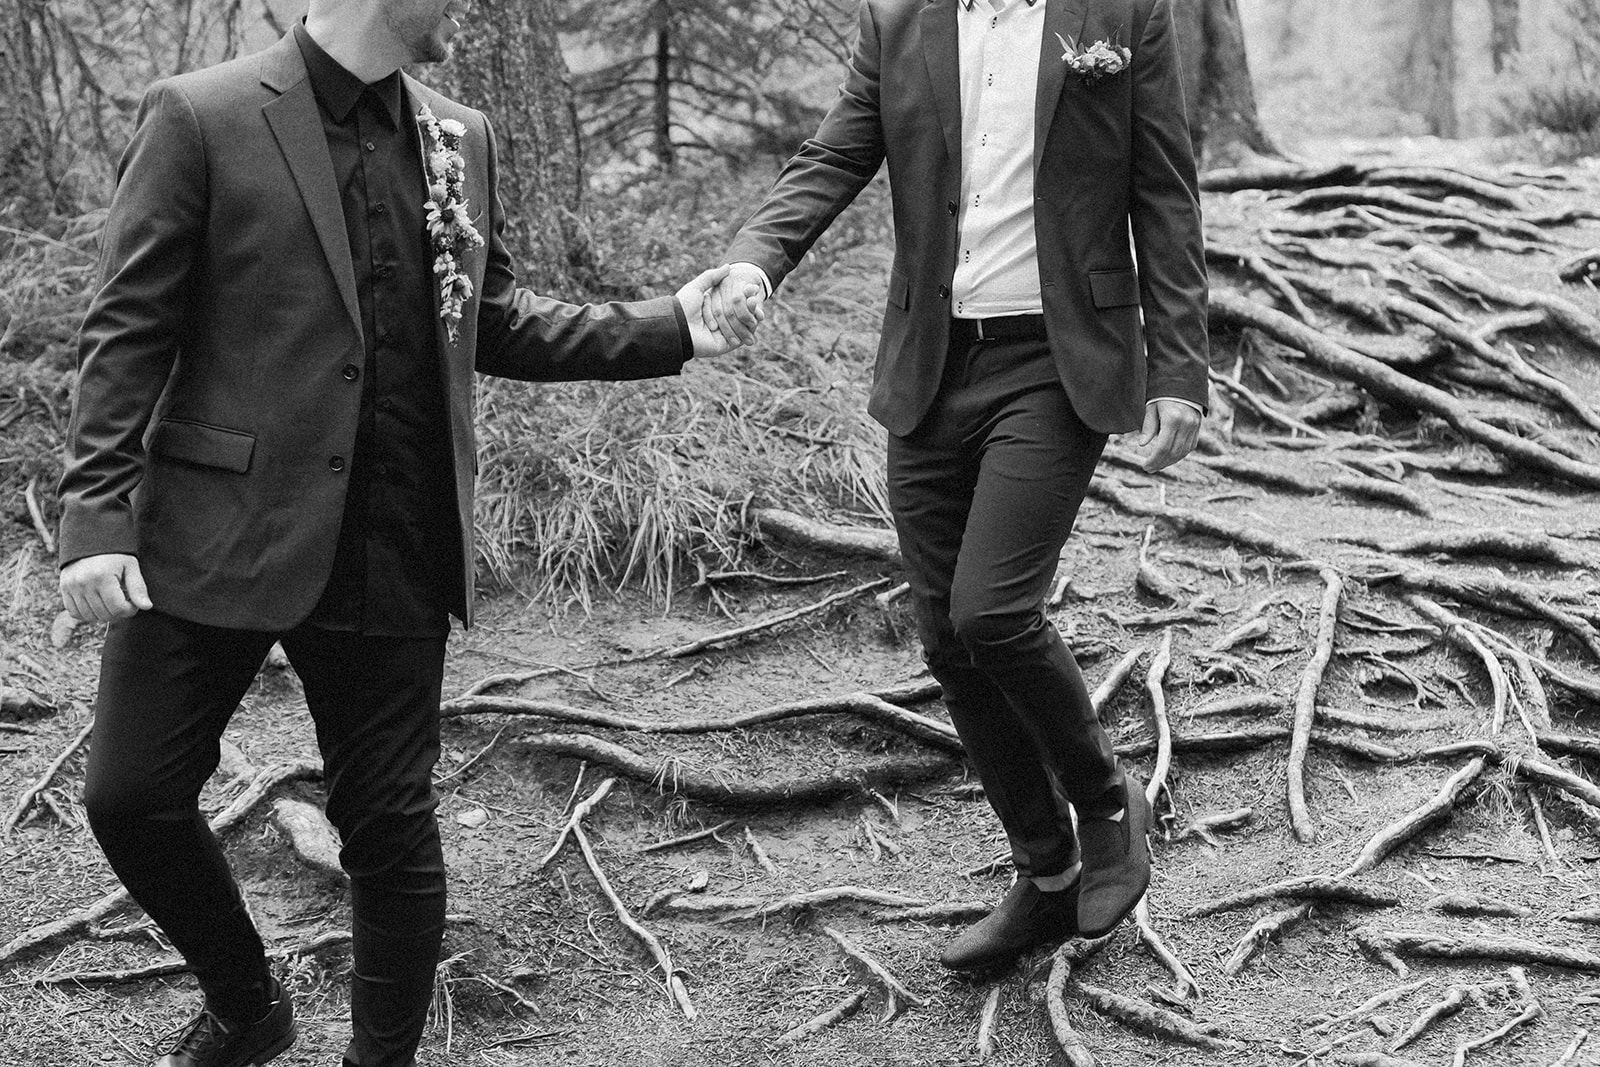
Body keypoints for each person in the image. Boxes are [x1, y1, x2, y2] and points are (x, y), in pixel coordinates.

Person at [55, 0, 755, 1063]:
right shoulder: (200, 116)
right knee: (131, 795)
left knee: (387, 823)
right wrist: (96, 515)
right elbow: (127, 327)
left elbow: (496, 314)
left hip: (393, 528)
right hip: (215, 524)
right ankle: (250, 1006)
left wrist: (670, 325)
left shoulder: (457, 134)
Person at [704, 0, 1207, 973]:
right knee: (944, 630)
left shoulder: (1122, 14)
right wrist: (755, 257)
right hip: (932, 363)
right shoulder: (900, 20)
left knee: (993, 609)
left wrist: (1179, 370)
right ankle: (1045, 872)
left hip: (1055, 362)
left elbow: (1166, 193)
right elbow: (834, 155)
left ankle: (1107, 801)